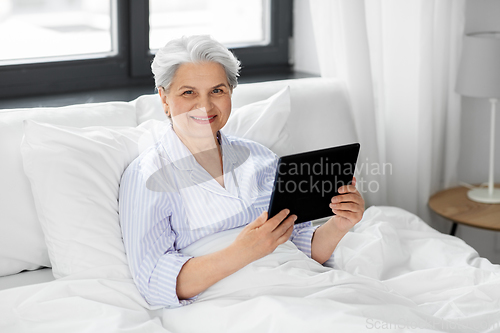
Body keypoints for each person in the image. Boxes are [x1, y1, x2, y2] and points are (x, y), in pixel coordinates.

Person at [118, 35, 365, 308]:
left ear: (231, 93)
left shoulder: (261, 157)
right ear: (164, 98)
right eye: (188, 92)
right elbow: (154, 282)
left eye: (217, 91)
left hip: (303, 284)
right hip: (233, 304)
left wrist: (341, 223)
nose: (205, 105)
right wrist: (243, 251)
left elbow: (303, 248)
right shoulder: (146, 174)